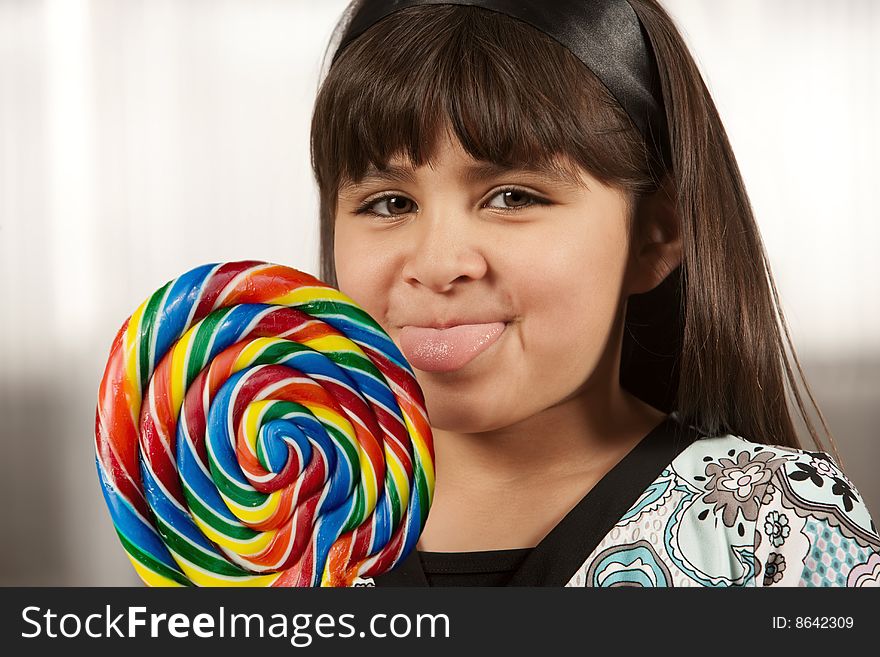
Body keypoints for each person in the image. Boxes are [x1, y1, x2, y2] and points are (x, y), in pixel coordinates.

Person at [308, 0, 880, 586]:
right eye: (389, 204)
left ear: (655, 235)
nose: (436, 265)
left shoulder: (773, 532)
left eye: (513, 197)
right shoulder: (268, 525)